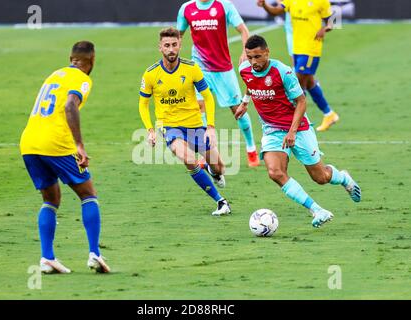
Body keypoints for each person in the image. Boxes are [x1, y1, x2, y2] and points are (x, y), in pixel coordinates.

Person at [235, 35, 361, 228]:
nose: (254, 62)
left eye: (258, 57)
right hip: (271, 129)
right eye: (250, 57)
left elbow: (302, 101)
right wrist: (245, 102)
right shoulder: (245, 69)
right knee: (275, 172)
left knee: (320, 177)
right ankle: (317, 210)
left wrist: (292, 132)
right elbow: (251, 84)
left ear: (267, 53)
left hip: (298, 128)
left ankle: (343, 177)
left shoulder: (283, 72)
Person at [20, 41, 110, 273]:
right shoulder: (82, 78)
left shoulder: (55, 74)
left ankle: (47, 258)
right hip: (55, 143)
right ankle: (94, 254)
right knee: (88, 194)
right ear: (91, 61)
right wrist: (79, 144)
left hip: (29, 142)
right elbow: (71, 105)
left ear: (71, 58)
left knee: (51, 199)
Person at [139, 27, 231, 216]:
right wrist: (150, 130)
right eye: (167, 45)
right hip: (170, 127)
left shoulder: (191, 68)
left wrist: (211, 127)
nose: (171, 49)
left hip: (195, 125)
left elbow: (208, 97)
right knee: (188, 159)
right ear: (160, 47)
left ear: (180, 44)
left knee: (219, 166)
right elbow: (143, 104)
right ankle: (221, 202)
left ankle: (211, 170)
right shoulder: (150, 74)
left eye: (174, 45)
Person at [177, 0, 260, 166]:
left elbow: (243, 30)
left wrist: (245, 51)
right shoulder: (187, 8)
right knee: (199, 107)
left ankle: (251, 148)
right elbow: (178, 35)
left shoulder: (224, 6)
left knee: (237, 110)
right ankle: (205, 153)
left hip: (223, 70)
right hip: (199, 67)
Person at [257, 0, 339, 132]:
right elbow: (277, 10)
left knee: (298, 83)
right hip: (297, 48)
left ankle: (296, 121)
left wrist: (325, 28)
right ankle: (329, 114)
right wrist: (265, 5)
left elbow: (333, 19)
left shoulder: (321, 2)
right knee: (310, 82)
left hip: (311, 48)